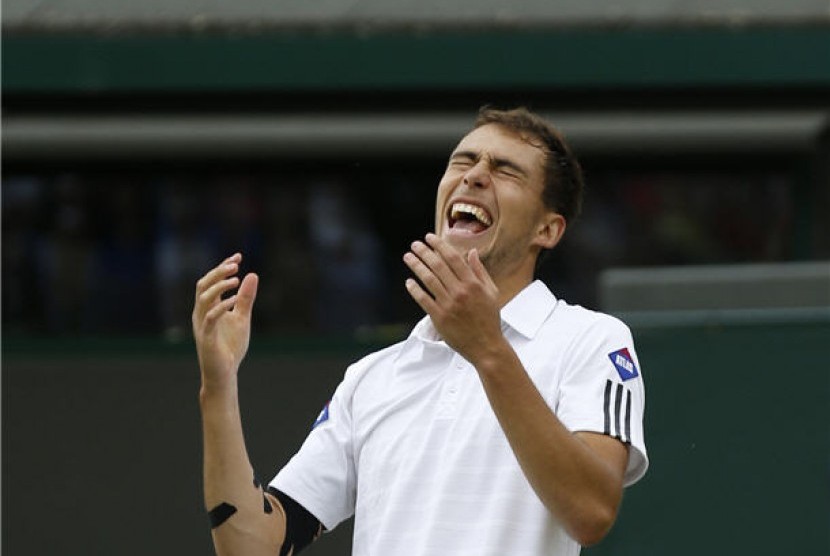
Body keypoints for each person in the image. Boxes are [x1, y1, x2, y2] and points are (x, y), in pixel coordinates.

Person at [193, 106, 648, 556]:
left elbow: (591, 511)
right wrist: (218, 386)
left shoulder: (590, 339)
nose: (474, 176)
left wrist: (488, 349)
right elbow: (251, 546)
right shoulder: (371, 378)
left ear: (547, 229)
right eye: (463, 161)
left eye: (505, 170)